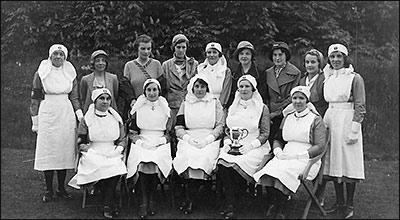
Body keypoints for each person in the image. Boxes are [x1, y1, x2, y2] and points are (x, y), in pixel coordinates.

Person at [253, 86, 327, 219]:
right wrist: (277, 151)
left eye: (301, 98)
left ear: (307, 100)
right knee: (269, 170)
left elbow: (320, 146)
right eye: (295, 98)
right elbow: (278, 139)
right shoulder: (288, 118)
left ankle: (281, 209)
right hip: (286, 154)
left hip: (307, 158)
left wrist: (301, 155)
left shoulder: (315, 119)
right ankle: (275, 203)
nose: (298, 101)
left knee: (284, 172)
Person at [29, 44, 83, 202]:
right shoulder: (41, 73)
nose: (58, 57)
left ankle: (61, 188)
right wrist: (35, 120)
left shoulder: (70, 73)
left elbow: (74, 97)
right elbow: (35, 97)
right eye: (55, 54)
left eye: (61, 54)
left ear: (65, 57)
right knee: (48, 150)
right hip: (48, 113)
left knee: (64, 150)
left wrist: (80, 116)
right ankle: (48, 190)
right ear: (50, 56)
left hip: (66, 113)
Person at [216, 75, 271, 219]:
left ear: (253, 89)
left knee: (238, 163)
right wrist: (228, 141)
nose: (244, 89)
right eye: (241, 86)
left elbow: (265, 133)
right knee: (222, 162)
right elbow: (228, 129)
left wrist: (251, 145)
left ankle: (236, 202)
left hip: (255, 146)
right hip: (234, 145)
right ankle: (232, 202)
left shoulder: (262, 108)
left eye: (247, 86)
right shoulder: (233, 106)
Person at [322, 43, 366, 219]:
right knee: (334, 162)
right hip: (331, 119)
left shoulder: (355, 78)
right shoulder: (329, 77)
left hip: (347, 120)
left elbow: (360, 105)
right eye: (332, 57)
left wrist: (354, 129)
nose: (336, 60)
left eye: (339, 56)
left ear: (345, 58)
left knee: (349, 162)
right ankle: (339, 202)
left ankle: (349, 204)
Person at [68, 88, 127, 219]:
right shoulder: (86, 119)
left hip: (112, 151)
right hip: (92, 152)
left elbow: (122, 140)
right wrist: (90, 151)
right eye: (102, 98)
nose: (105, 102)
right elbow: (81, 142)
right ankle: (109, 202)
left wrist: (118, 150)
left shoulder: (116, 118)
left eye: (107, 99)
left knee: (115, 165)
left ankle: (106, 202)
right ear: (95, 100)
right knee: (98, 164)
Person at [172, 74, 224, 215]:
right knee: (187, 156)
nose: (200, 89)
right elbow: (179, 127)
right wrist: (188, 139)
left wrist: (208, 139)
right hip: (189, 137)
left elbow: (220, 125)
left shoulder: (215, 102)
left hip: (210, 139)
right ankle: (191, 197)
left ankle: (193, 197)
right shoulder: (186, 102)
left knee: (204, 157)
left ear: (207, 88)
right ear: (192, 88)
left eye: (202, 86)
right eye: (197, 86)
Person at [126, 79, 173, 219]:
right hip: (142, 140)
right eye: (149, 90)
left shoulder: (165, 107)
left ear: (159, 91)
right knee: (141, 161)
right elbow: (132, 133)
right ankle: (143, 201)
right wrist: (140, 143)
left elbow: (169, 133)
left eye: (154, 90)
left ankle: (151, 198)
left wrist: (162, 141)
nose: (152, 93)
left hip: (161, 142)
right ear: (144, 92)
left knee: (156, 161)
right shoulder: (138, 108)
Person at [160, 33, 199, 154]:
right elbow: (164, 87)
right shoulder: (166, 65)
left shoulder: (194, 64)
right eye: (178, 47)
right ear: (173, 48)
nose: (181, 50)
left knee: (186, 131)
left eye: (183, 47)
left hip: (189, 103)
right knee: (171, 131)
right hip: (172, 103)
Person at [265, 41, 301, 147]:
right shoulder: (268, 73)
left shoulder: (295, 73)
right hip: (269, 113)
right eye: (274, 55)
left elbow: (292, 97)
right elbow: (265, 95)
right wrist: (267, 113)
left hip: (285, 112)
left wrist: (277, 113)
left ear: (286, 55)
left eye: (280, 54)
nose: (277, 58)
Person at [123, 34, 164, 117]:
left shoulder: (156, 64)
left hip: (153, 107)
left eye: (148, 49)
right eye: (143, 48)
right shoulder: (129, 65)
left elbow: (162, 86)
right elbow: (125, 87)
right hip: (135, 106)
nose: (146, 52)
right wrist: (132, 100)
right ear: (137, 49)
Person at [227, 40, 268, 107]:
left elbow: (263, 94)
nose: (244, 56)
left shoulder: (260, 73)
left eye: (247, 54)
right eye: (241, 54)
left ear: (252, 56)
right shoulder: (234, 74)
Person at [80, 49, 119, 114]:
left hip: (109, 113)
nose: (101, 63)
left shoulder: (113, 78)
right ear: (93, 63)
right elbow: (83, 98)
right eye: (97, 61)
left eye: (103, 61)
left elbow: (115, 96)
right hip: (91, 114)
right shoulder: (85, 79)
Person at [197, 42, 232, 110]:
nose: (211, 55)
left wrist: (219, 106)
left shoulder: (226, 71)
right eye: (209, 52)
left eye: (214, 52)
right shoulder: (201, 70)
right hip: (204, 105)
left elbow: (226, 91)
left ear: (219, 54)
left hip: (220, 106)